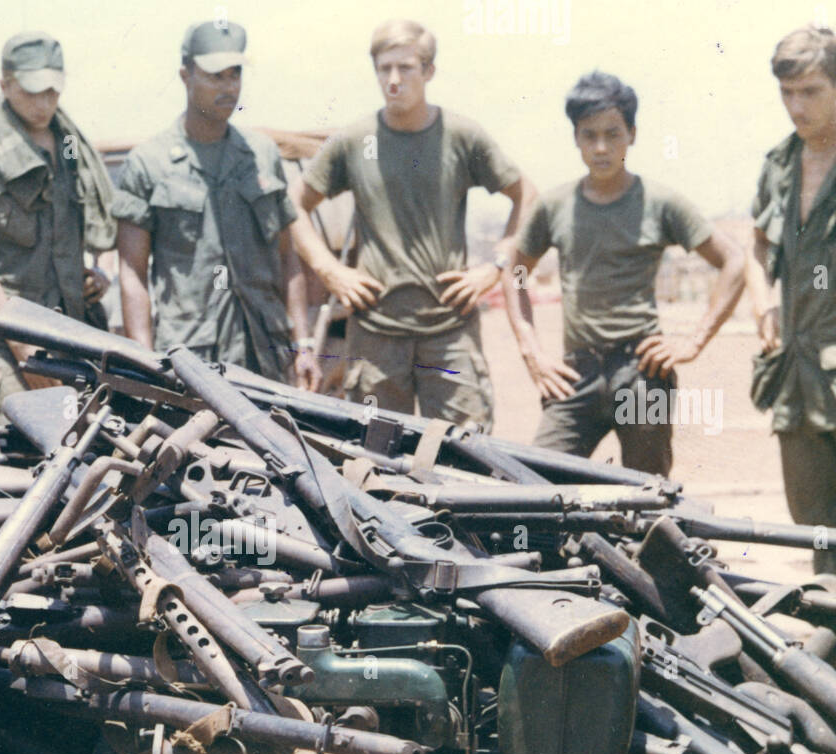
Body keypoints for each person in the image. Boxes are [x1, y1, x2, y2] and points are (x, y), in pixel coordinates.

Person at [502, 71, 744, 476]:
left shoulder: (660, 202)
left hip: (641, 371)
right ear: (575, 138)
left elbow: (733, 261)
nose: (600, 147)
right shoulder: (555, 206)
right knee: (535, 482)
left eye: (612, 134)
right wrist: (532, 352)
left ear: (632, 134)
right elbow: (516, 272)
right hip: (575, 374)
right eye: (588, 135)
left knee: (646, 495)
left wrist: (693, 341)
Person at [293, 19, 530, 423]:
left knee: (465, 458)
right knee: (376, 459)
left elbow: (528, 197)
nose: (394, 79)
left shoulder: (461, 135)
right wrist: (330, 270)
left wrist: (495, 267)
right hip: (376, 335)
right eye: (384, 69)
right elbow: (293, 204)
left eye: (405, 67)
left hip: (450, 332)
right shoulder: (356, 140)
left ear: (429, 71)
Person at [114, 21, 320, 391]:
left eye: (235, 74)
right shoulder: (150, 163)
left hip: (266, 355)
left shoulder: (261, 155)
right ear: (185, 74)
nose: (228, 86)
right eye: (214, 76)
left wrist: (303, 344)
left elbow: (289, 260)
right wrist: (145, 362)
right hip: (190, 361)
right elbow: (132, 272)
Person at [747, 26, 836, 582]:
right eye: (787, 93)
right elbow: (755, 243)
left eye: (811, 91)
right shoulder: (779, 164)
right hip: (796, 381)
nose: (797, 106)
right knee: (817, 527)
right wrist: (761, 302)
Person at [0, 32, 115, 425]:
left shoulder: (73, 149)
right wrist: (25, 352)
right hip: (9, 347)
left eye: (53, 92)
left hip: (76, 337)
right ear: (5, 85)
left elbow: (94, 223)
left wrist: (98, 273)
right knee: (18, 463)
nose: (44, 104)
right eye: (32, 92)